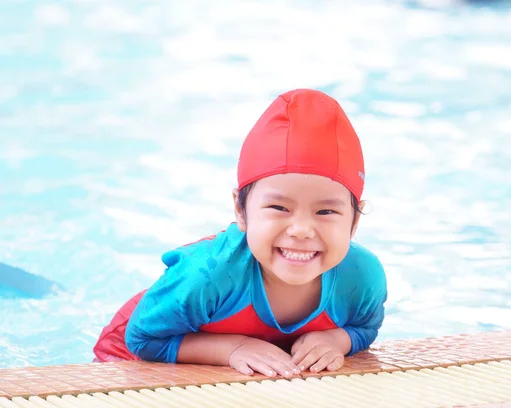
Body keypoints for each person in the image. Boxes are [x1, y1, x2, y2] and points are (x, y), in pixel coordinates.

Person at [93, 88, 388, 378]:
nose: (300, 230)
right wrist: (232, 348)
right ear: (240, 210)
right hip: (135, 353)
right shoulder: (207, 275)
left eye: (326, 212)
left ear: (355, 220)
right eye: (278, 207)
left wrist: (337, 340)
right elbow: (143, 339)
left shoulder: (361, 277)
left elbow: (364, 327)